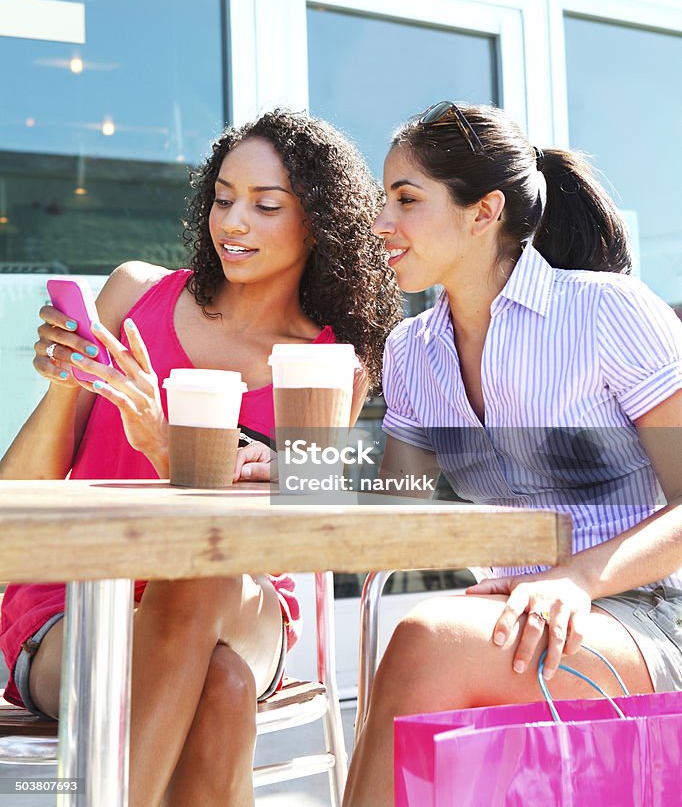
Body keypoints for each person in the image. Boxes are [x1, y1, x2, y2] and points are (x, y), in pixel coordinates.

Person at [0, 109, 401, 807]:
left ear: (319, 223)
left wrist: (169, 444)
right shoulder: (135, 296)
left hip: (237, 606)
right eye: (222, 198)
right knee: (222, 690)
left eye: (265, 205)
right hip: (73, 607)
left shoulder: (329, 364)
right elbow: (16, 495)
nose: (233, 223)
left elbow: (303, 533)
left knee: (198, 579)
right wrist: (69, 384)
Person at [343, 100, 682, 807]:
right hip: (522, 616)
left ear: (483, 211)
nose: (381, 223)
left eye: (406, 200)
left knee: (426, 639)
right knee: (431, 645)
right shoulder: (413, 351)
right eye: (384, 200)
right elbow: (390, 517)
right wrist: (290, 464)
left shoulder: (606, 312)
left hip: (647, 611)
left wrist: (575, 580)